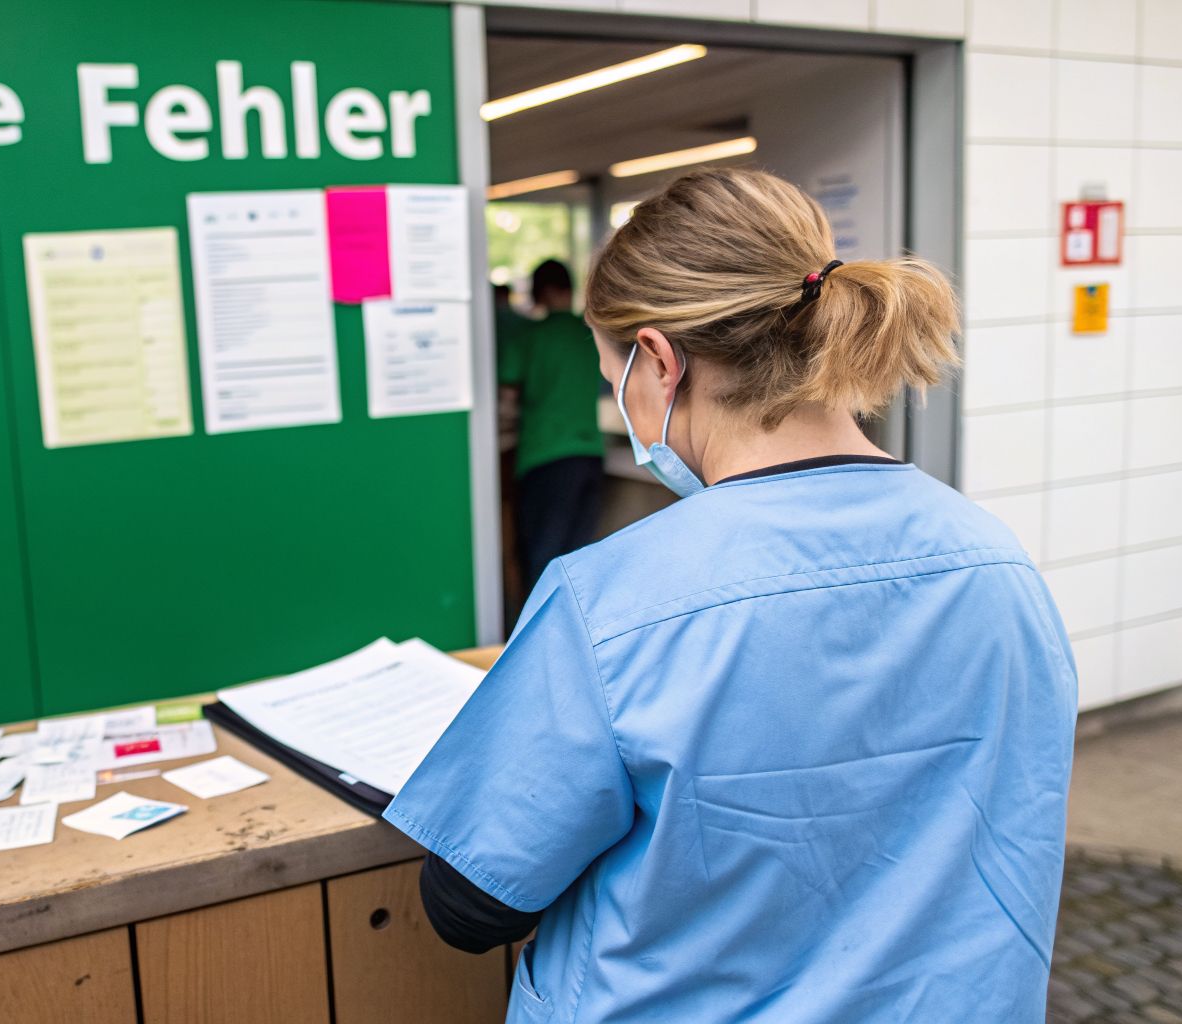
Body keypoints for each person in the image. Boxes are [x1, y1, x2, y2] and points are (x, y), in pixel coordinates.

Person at [386, 168, 1077, 1022]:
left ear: (661, 361)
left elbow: (472, 904)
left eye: (617, 378)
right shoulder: (998, 567)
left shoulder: (612, 603)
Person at [500, 259, 606, 596]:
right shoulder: (591, 335)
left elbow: (506, 401)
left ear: (539, 292)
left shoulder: (529, 338)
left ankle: (539, 643)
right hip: (590, 456)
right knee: (579, 562)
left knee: (542, 561)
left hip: (544, 458)